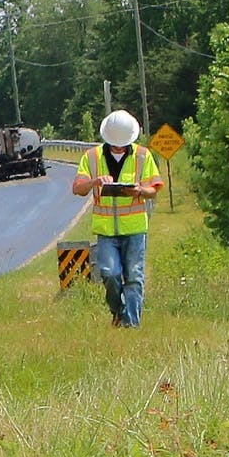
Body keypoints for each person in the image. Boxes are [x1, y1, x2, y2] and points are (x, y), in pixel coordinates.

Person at [71, 110, 166, 327]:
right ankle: (117, 311)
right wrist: (95, 182)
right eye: (116, 143)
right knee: (110, 273)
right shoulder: (92, 157)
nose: (119, 147)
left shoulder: (143, 155)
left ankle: (131, 325)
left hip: (134, 229)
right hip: (106, 231)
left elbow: (155, 189)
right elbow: (77, 188)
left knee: (134, 277)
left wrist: (140, 191)